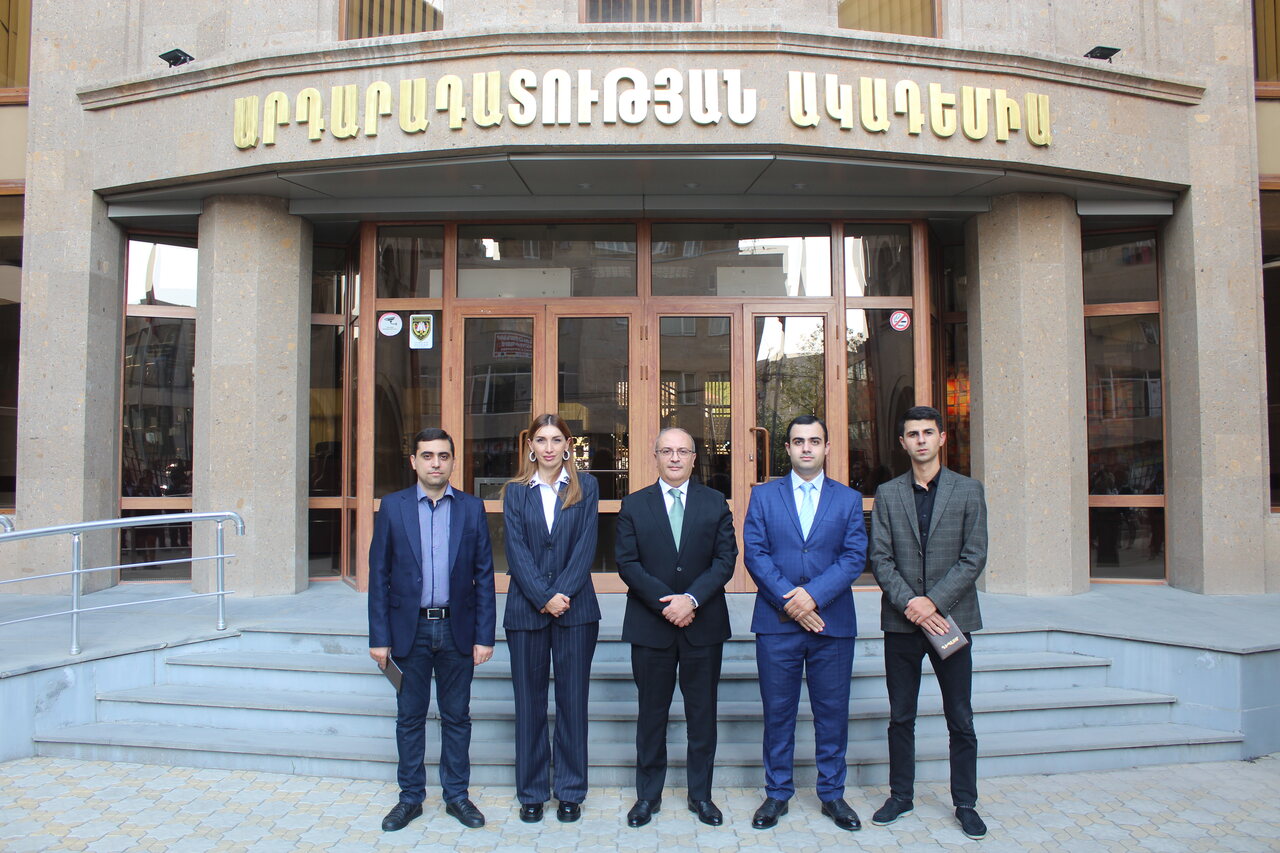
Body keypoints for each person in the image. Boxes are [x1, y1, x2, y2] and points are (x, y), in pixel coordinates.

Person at [869, 405, 989, 841]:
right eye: (912, 434)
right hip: (901, 624)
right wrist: (911, 604)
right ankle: (901, 795)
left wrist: (932, 604)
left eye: (927, 432)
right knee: (901, 716)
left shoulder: (968, 490)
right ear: (902, 443)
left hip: (950, 622)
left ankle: (965, 803)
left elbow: (974, 556)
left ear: (941, 438)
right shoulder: (887, 494)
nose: (920, 440)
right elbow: (880, 558)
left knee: (960, 717)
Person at [367, 428, 496, 832]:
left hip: (458, 631)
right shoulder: (393, 507)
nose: (435, 463)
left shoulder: (471, 508)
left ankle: (457, 796)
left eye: (443, 456)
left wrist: (484, 635)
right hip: (410, 631)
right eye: (427, 456)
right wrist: (379, 637)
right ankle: (410, 798)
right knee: (410, 718)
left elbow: (484, 576)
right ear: (414, 462)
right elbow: (378, 575)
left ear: (453, 461)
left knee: (457, 717)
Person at [742, 414, 866, 832]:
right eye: (799, 441)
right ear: (788, 449)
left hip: (832, 623)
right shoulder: (763, 496)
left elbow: (854, 556)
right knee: (778, 713)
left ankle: (832, 794)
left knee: (832, 713)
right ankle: (777, 793)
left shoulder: (848, 499)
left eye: (814, 441)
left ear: (827, 447)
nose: (807, 448)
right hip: (777, 624)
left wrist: (812, 596)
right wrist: (791, 601)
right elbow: (755, 553)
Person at [615, 427, 738, 829]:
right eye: (666, 451)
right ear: (654, 456)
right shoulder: (634, 504)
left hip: (703, 625)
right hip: (651, 626)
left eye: (682, 451)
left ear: (693, 458)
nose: (674, 458)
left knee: (702, 716)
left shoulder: (715, 502)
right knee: (652, 715)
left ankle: (701, 795)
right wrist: (668, 603)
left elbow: (725, 559)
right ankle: (647, 796)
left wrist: (692, 599)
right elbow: (627, 563)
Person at [502, 413, 601, 824]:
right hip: (526, 611)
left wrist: (562, 594)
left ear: (567, 446)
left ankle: (571, 791)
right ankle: (532, 792)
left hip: (576, 611)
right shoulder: (515, 492)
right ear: (530, 445)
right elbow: (515, 549)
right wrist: (544, 597)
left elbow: (586, 546)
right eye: (541, 440)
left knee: (572, 704)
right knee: (529, 705)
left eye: (556, 440)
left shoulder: (586, 486)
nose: (548, 447)